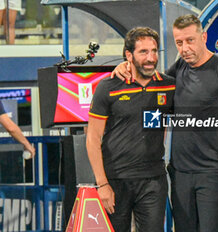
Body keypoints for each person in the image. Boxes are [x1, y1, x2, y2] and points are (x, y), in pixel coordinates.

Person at [112, 14, 218, 232]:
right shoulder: (178, 69)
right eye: (179, 42)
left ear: (203, 37)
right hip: (180, 174)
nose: (185, 48)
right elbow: (149, 80)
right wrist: (126, 65)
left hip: (214, 173)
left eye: (190, 40)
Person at [86, 27, 175, 232]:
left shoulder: (169, 85)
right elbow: (92, 138)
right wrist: (102, 185)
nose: (151, 58)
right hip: (115, 182)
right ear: (129, 55)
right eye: (143, 52)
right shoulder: (108, 87)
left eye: (154, 51)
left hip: (153, 180)